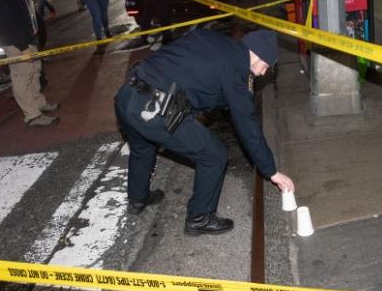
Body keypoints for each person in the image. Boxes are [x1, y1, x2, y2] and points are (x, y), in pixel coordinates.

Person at [114, 29, 295, 235]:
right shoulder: (236, 70)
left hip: (128, 93)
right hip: (154, 109)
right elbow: (248, 125)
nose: (263, 73)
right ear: (259, 55)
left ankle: (138, 199)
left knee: (142, 147)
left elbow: (198, 76)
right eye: (266, 66)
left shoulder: (215, 39)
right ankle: (199, 217)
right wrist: (271, 171)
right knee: (214, 155)